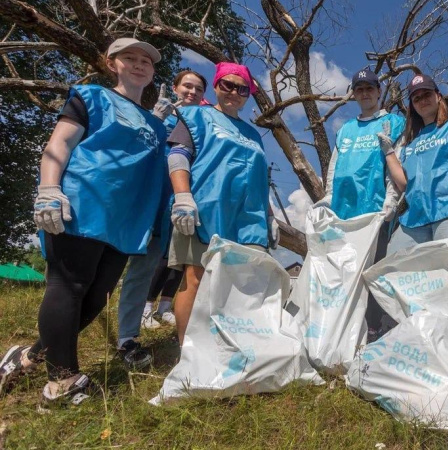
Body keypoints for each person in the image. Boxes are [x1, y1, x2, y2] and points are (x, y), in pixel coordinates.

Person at [0, 38, 168, 403]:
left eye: (146, 61)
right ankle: (61, 381)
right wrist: (48, 187)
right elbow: (60, 143)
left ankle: (26, 357)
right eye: (130, 58)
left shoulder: (156, 127)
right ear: (112, 64)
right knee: (69, 286)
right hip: (83, 202)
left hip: (126, 219)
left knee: (95, 299)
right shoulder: (91, 97)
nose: (139, 65)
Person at [167, 61, 276, 345]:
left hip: (248, 219)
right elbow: (178, 156)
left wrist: (270, 215)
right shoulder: (195, 116)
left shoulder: (253, 134)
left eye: (242, 89)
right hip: (204, 209)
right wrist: (182, 196)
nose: (234, 93)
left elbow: (260, 178)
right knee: (196, 280)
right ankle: (187, 352)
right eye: (227, 85)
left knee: (243, 285)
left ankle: (231, 347)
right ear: (215, 86)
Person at [115, 70, 207, 369]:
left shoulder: (205, 123)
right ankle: (127, 336)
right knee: (140, 267)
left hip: (187, 205)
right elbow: (137, 150)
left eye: (198, 88)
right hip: (153, 200)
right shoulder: (160, 117)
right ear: (176, 87)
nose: (191, 92)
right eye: (186, 86)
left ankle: (161, 316)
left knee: (176, 265)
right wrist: (154, 118)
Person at [319, 67, 406, 339]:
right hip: (344, 215)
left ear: (379, 92)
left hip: (375, 213)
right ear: (354, 94)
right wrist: (328, 196)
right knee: (345, 273)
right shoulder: (346, 129)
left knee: (373, 273)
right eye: (360, 89)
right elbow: (334, 165)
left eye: (370, 88)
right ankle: (344, 329)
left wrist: (392, 199)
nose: (365, 93)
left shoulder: (393, 122)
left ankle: (373, 329)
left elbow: (397, 160)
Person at [382, 74, 448, 253]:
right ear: (412, 105)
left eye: (426, 94)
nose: (422, 100)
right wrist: (388, 153)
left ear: (438, 96)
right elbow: (403, 184)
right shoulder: (409, 143)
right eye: (416, 98)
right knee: (395, 265)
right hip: (415, 219)